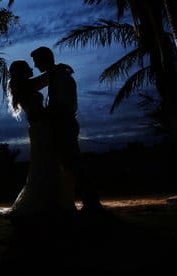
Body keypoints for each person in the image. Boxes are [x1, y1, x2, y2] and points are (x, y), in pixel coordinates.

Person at [29, 46, 105, 213]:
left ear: (44, 60)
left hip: (64, 124)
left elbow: (62, 106)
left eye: (36, 62)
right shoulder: (56, 74)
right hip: (63, 123)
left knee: (73, 162)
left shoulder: (61, 77)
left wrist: (44, 114)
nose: (34, 66)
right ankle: (85, 200)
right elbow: (35, 85)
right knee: (69, 163)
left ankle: (91, 202)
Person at [7, 60, 75, 230]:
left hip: (40, 128)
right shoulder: (27, 86)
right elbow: (47, 78)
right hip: (40, 127)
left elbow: (46, 78)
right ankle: (49, 202)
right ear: (23, 72)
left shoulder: (25, 86)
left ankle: (48, 200)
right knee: (46, 163)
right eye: (28, 67)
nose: (32, 68)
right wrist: (58, 68)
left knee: (45, 163)